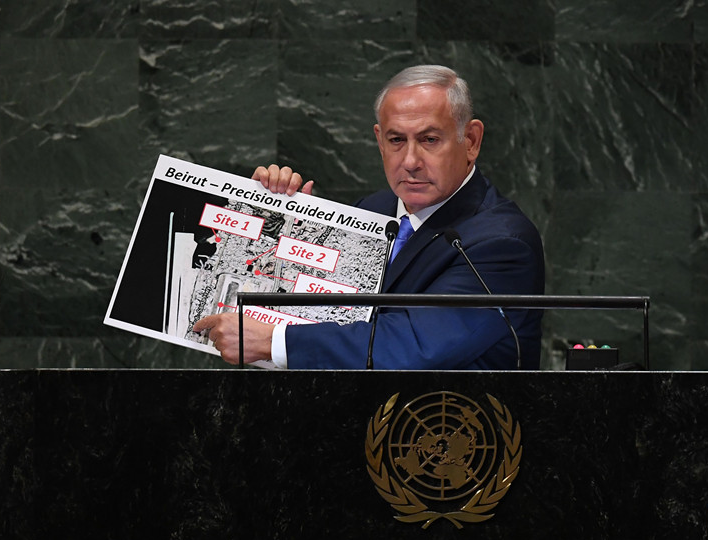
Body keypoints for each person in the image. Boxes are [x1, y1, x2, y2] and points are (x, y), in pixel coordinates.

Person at [193, 65, 544, 370]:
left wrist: (274, 342)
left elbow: (411, 346)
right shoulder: (371, 211)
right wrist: (287, 224)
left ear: (470, 140)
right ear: (379, 140)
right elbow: (332, 317)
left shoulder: (503, 243)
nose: (410, 161)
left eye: (429, 139)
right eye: (396, 140)